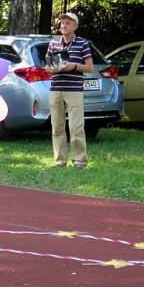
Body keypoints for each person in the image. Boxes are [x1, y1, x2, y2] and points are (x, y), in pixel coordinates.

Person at [44, 11, 93, 169]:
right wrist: (51, 68)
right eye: (62, 22)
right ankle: (59, 162)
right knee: (57, 127)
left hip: (74, 90)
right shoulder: (53, 44)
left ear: (75, 26)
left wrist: (74, 66)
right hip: (56, 88)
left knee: (76, 127)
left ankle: (79, 161)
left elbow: (90, 68)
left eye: (68, 23)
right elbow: (48, 66)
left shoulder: (82, 44)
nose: (64, 25)